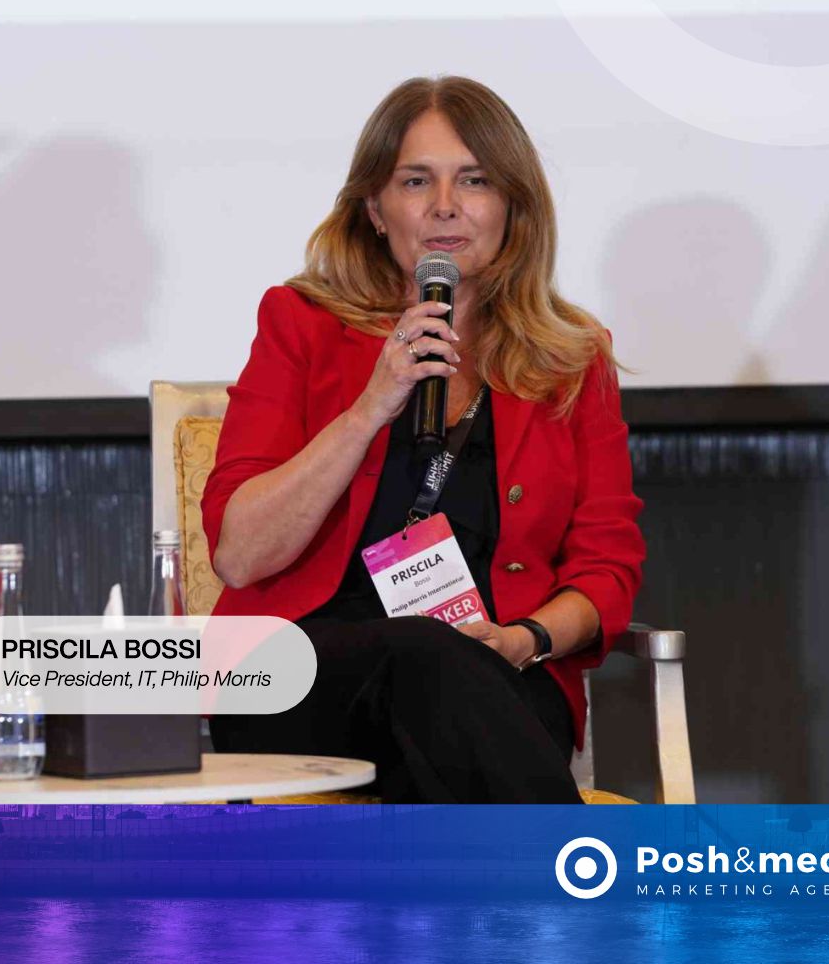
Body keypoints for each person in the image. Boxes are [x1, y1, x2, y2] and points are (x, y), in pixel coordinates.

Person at [201, 76, 645, 802]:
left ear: (513, 207)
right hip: (302, 680)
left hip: (497, 674)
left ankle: (495, 873)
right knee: (425, 660)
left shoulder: (572, 357)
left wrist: (524, 639)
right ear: (375, 210)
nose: (445, 205)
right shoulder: (300, 325)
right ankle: (576, 866)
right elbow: (241, 554)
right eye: (416, 181)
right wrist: (370, 407)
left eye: (474, 180)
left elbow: (606, 565)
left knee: (447, 702)